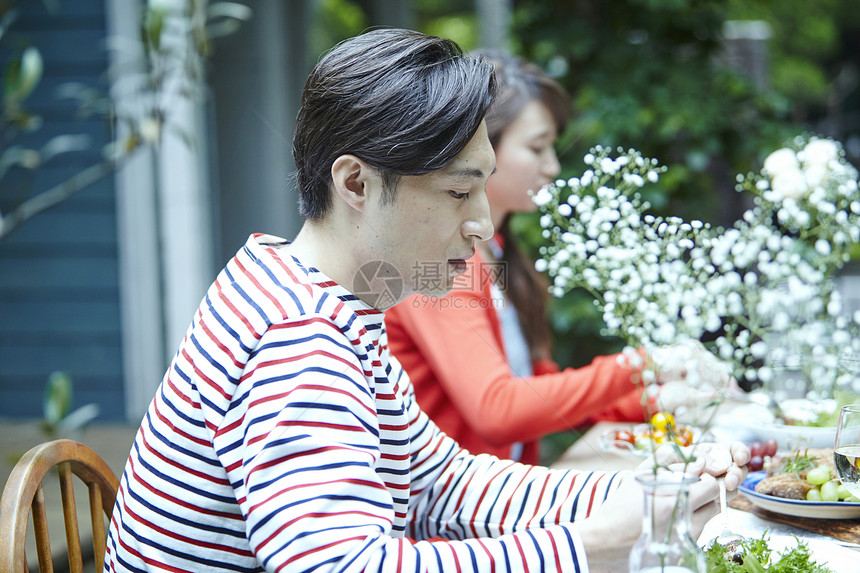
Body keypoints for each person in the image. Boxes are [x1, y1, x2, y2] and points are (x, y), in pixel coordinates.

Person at [104, 29, 747, 573]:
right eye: (455, 193)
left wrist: (651, 491)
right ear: (356, 181)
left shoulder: (320, 292)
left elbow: (444, 482)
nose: (481, 225)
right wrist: (595, 541)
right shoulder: (297, 340)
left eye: (484, 190)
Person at [385, 51, 726, 465]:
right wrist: (640, 364)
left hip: (498, 491)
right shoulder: (441, 263)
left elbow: (533, 385)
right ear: (479, 149)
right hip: (452, 514)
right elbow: (496, 408)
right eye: (537, 147)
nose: (552, 166)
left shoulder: (498, 254)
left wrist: (650, 398)